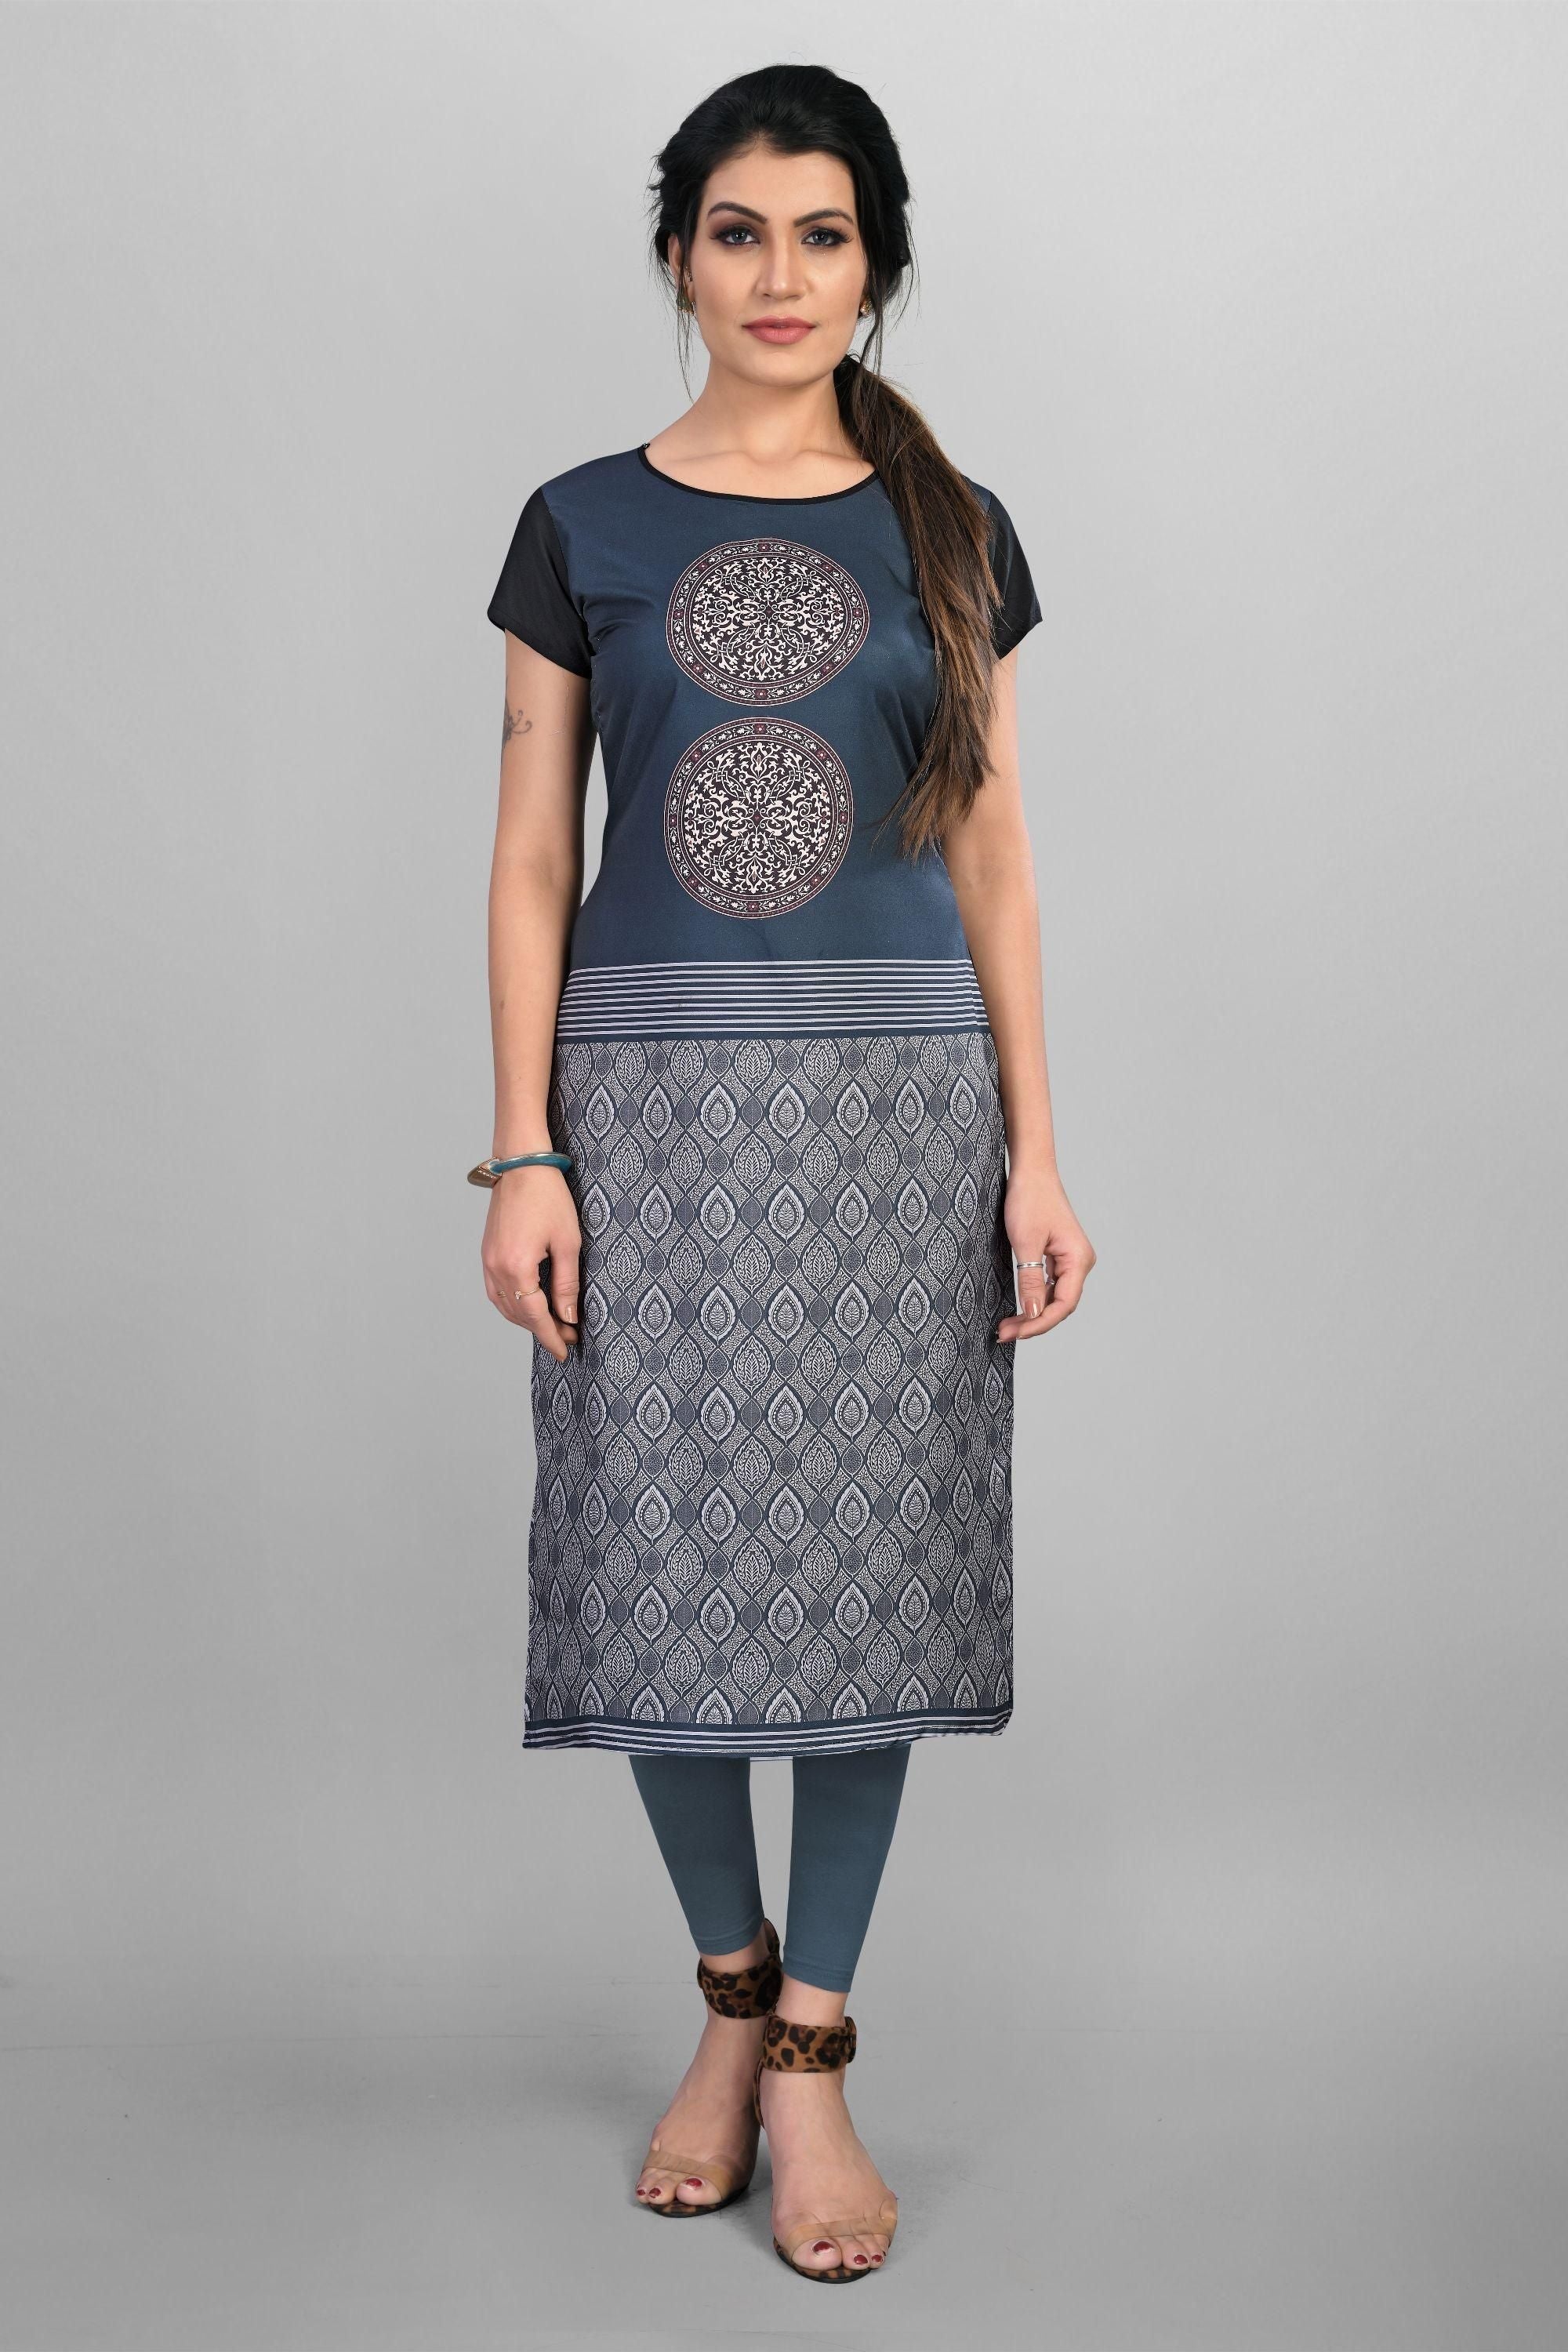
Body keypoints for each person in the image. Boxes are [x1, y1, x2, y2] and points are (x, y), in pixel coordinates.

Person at [475, 61, 1094, 2285]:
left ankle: (810, 2051)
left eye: (822, 235)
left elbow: (996, 857)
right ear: (679, 254)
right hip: (646, 1107)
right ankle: (728, 2002)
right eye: (738, 230)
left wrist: (1039, 1153)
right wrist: (524, 1150)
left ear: (876, 264)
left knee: (865, 1579)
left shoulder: (955, 529)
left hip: (896, 1116)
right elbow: (532, 855)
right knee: (658, 1566)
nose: (779, 274)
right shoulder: (582, 524)